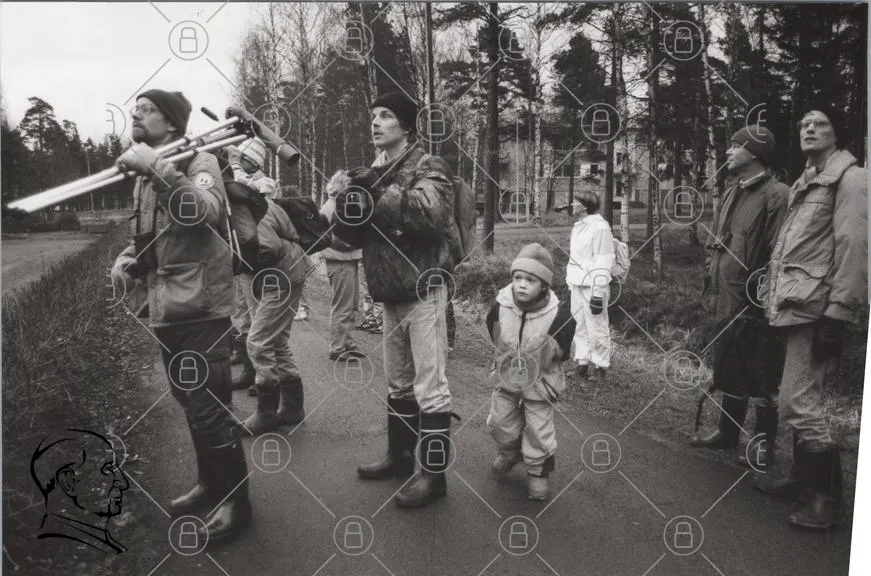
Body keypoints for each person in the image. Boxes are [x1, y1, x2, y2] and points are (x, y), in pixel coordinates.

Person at [111, 89, 249, 543]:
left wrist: (157, 168)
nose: (136, 115)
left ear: (171, 122)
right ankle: (211, 483)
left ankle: (237, 503)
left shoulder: (197, 161)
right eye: (135, 109)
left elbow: (203, 214)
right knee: (190, 402)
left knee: (210, 407)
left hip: (202, 310)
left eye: (146, 110)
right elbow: (153, 237)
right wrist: (130, 258)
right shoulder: (146, 174)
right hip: (167, 308)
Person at [331, 91, 457, 508]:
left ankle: (434, 478)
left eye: (386, 115)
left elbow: (429, 216)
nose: (375, 122)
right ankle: (400, 457)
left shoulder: (428, 165)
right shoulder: (372, 170)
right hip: (389, 290)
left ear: (406, 126)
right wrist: (342, 202)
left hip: (423, 289)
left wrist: (374, 187)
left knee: (431, 387)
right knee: (398, 382)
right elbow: (352, 234)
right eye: (373, 115)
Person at [755, 105, 867, 530]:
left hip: (818, 309)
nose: (810, 129)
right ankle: (803, 480)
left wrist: (838, 314)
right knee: (792, 397)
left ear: (838, 133)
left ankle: (826, 499)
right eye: (805, 124)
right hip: (793, 304)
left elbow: (855, 247)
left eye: (820, 124)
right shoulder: (807, 180)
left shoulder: (851, 179)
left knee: (799, 402)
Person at [693, 125, 788, 468]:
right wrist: (711, 283)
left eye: (736, 146)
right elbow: (716, 244)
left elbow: (778, 254)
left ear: (756, 153)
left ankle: (763, 445)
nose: (728, 152)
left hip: (755, 305)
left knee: (762, 373)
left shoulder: (778, 195)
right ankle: (727, 432)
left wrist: (762, 300)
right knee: (729, 363)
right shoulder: (732, 191)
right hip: (726, 299)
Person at [486, 244, 575, 501]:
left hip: (541, 382)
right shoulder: (501, 306)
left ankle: (538, 472)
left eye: (530, 280)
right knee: (499, 422)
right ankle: (510, 452)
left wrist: (540, 357)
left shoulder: (559, 316)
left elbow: (562, 350)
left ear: (544, 285)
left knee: (538, 428)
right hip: (508, 376)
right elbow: (495, 332)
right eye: (518, 278)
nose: (522, 285)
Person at [240, 190, 314, 434]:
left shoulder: (240, 209)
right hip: (288, 269)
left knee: (258, 342)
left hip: (282, 274)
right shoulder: (250, 198)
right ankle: (292, 408)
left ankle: (267, 413)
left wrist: (238, 262)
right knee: (277, 341)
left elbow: (268, 247)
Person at [227, 137, 278, 392]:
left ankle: (263, 375)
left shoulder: (266, 183)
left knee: (257, 316)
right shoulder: (238, 177)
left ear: (254, 163)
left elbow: (243, 189)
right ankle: (249, 368)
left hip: (256, 259)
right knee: (240, 313)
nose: (237, 162)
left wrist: (234, 165)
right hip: (238, 256)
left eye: (243, 159)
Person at [31, 430, 129, 554]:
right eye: (108, 469)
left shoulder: (98, 546)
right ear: (69, 482)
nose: (123, 483)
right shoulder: (63, 551)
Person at [565, 189, 615, 382]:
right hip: (577, 284)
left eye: (575, 201)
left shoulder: (600, 227)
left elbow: (604, 260)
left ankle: (600, 367)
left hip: (593, 285)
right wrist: (570, 282)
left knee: (597, 326)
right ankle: (582, 363)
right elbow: (576, 258)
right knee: (580, 325)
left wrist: (598, 292)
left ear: (585, 206)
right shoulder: (578, 227)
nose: (572, 204)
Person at [321, 170, 367, 360]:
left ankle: (348, 343)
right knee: (342, 306)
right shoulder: (332, 207)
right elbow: (333, 238)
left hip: (348, 260)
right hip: (339, 261)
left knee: (352, 304)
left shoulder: (340, 205)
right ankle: (338, 347)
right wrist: (356, 242)